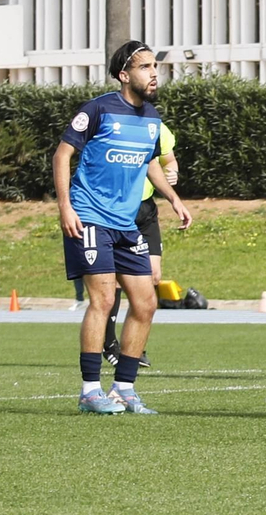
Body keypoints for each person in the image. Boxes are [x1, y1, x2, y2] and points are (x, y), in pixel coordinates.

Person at [55, 40, 192, 414]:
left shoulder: (152, 118)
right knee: (103, 299)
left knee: (146, 302)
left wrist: (173, 198)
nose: (153, 74)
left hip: (126, 224)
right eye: (145, 67)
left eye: (155, 67)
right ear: (124, 74)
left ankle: (124, 389)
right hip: (90, 217)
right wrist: (66, 207)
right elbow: (62, 154)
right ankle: (88, 391)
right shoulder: (97, 109)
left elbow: (150, 162)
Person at [104, 121, 179, 367]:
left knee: (153, 276)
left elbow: (168, 160)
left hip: (146, 210)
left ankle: (133, 344)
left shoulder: (159, 128)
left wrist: (173, 172)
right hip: (119, 208)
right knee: (116, 278)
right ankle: (110, 342)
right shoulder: (116, 125)